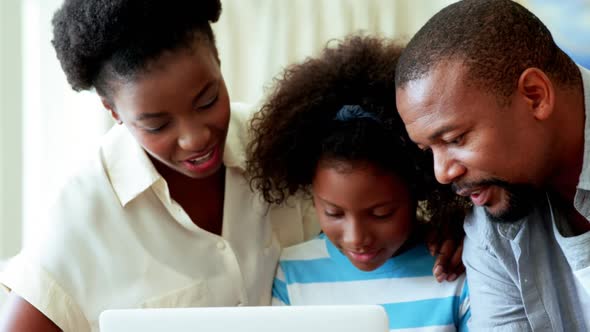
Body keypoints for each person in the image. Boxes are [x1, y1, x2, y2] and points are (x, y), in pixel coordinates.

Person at [0, 1, 322, 331]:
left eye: (208, 100)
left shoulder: (284, 145)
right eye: (157, 125)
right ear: (113, 111)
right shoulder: (82, 215)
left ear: (218, 60)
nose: (194, 139)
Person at [246, 35, 471, 331]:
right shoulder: (294, 273)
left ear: (417, 187)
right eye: (333, 213)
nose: (356, 238)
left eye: (381, 214)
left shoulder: (455, 268)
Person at [394, 0, 590, 330]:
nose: (442, 174)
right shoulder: (491, 225)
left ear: (535, 96)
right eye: (428, 150)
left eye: (455, 139)